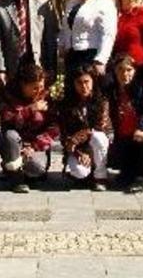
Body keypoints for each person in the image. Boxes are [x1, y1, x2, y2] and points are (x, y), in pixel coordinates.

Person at [0, 62, 58, 193]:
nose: (39, 91)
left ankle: (16, 168)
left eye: (41, 86)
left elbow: (53, 129)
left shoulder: (46, 97)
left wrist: (34, 146)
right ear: (23, 85)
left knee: (37, 168)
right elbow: (7, 119)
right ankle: (16, 178)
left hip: (35, 144)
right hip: (14, 144)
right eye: (34, 88)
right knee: (10, 135)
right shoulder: (9, 95)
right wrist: (30, 110)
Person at [107, 54, 143, 194]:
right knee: (125, 177)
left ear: (134, 71)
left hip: (138, 135)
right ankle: (126, 172)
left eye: (129, 70)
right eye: (120, 70)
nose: (125, 74)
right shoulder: (111, 90)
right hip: (121, 137)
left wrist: (142, 127)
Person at [58, 63, 111, 191]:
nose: (83, 86)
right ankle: (86, 174)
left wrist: (78, 138)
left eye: (87, 82)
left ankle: (100, 177)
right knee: (79, 173)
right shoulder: (66, 105)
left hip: (99, 144)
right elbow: (64, 134)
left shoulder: (102, 101)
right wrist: (79, 152)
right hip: (77, 148)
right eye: (79, 83)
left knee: (98, 137)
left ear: (93, 81)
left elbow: (99, 127)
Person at [59, 0, 117, 79]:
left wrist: (101, 60)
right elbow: (66, 28)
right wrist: (62, 44)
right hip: (73, 55)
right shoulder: (71, 3)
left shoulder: (104, 3)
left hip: (91, 55)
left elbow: (108, 34)